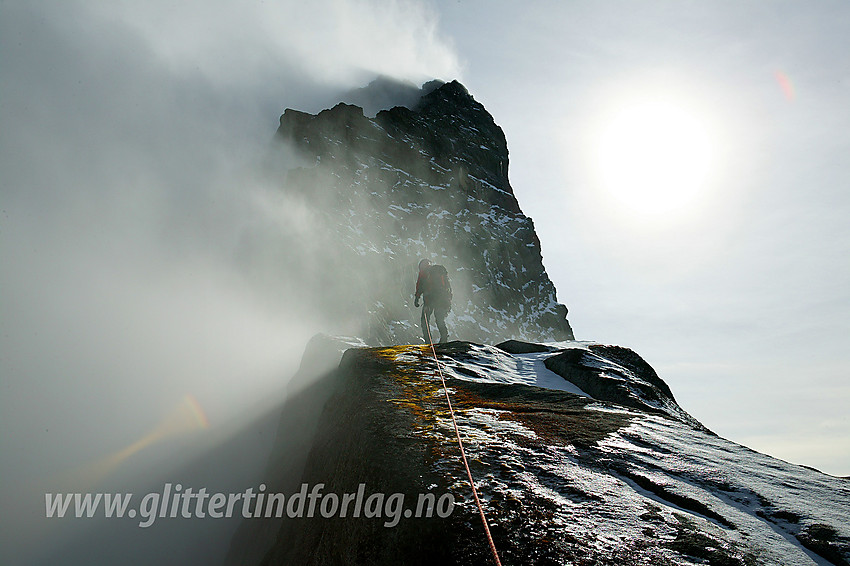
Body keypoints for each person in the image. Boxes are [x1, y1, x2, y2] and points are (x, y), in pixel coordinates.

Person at [414, 259, 452, 344]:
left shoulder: (423, 273)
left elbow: (419, 286)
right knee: (439, 319)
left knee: (425, 321)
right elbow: (447, 287)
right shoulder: (439, 272)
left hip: (429, 300)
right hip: (442, 300)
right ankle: (444, 339)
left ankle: (428, 341)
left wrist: (417, 298)